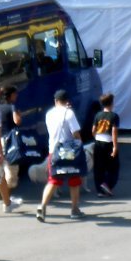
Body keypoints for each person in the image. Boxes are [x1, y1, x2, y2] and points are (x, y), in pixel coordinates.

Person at [37, 89, 85, 222]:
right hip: (70, 150)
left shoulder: (49, 114)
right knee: (74, 180)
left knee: (53, 180)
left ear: (55, 101)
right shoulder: (69, 113)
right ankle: (74, 210)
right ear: (67, 101)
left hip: (54, 150)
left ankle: (42, 207)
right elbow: (75, 133)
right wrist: (80, 146)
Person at [0, 85, 23, 213]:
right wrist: (19, 115)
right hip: (7, 142)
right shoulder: (11, 107)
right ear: (11, 95)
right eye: (15, 94)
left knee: (0, 172)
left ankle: (7, 200)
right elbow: (17, 121)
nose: (17, 96)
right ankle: (7, 200)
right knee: (11, 174)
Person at [91, 92, 120, 197]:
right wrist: (115, 146)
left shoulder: (97, 115)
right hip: (109, 142)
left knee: (99, 167)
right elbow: (114, 132)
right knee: (113, 167)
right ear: (111, 103)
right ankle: (107, 184)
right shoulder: (114, 116)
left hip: (98, 142)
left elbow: (93, 130)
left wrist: (96, 137)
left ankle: (99, 190)